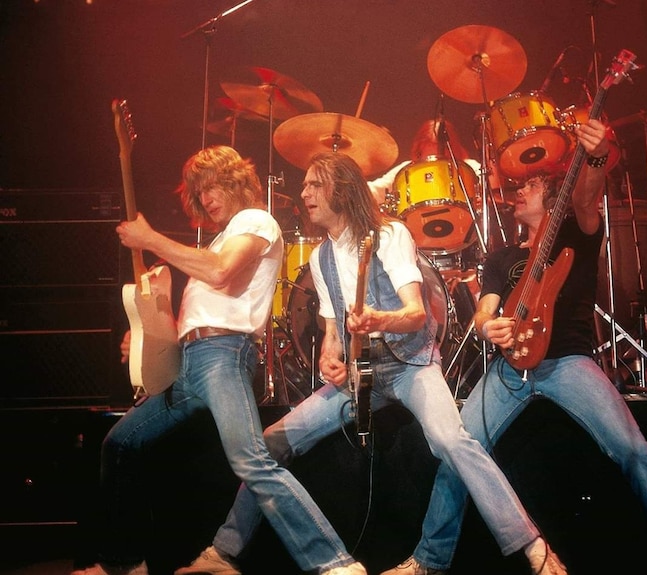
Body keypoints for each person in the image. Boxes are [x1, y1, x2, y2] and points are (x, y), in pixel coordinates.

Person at [175, 151, 566, 575]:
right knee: (271, 441)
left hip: (410, 365)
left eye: (314, 184)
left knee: (451, 440)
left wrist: (381, 319)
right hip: (360, 377)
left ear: (341, 189)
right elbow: (331, 334)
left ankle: (531, 546)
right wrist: (330, 359)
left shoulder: (388, 234)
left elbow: (416, 313)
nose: (303, 192)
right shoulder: (321, 257)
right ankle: (224, 552)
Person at [383, 119, 647, 575]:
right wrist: (488, 328)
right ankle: (428, 560)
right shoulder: (501, 256)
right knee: (461, 450)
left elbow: (587, 194)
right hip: (508, 368)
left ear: (554, 199)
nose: (518, 192)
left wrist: (595, 157)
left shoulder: (575, 233)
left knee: (634, 449)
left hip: (567, 362)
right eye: (519, 188)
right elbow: (484, 311)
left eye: (532, 187)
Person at [72, 145, 367, 575]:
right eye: (199, 191)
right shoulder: (216, 239)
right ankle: (122, 563)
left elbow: (219, 273)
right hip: (190, 362)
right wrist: (145, 337)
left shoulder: (255, 220)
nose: (206, 197)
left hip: (223, 354)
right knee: (120, 443)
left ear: (235, 184)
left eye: (213, 186)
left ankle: (335, 564)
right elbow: (195, 313)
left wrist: (150, 239)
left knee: (251, 459)